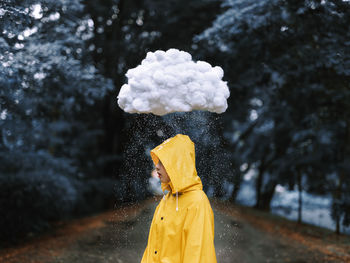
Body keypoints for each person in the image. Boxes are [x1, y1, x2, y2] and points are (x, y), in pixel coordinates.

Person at [141, 134, 217, 263]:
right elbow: (153, 247)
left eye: (163, 162)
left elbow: (197, 255)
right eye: (157, 161)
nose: (157, 166)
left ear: (178, 164)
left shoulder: (197, 202)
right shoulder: (167, 198)